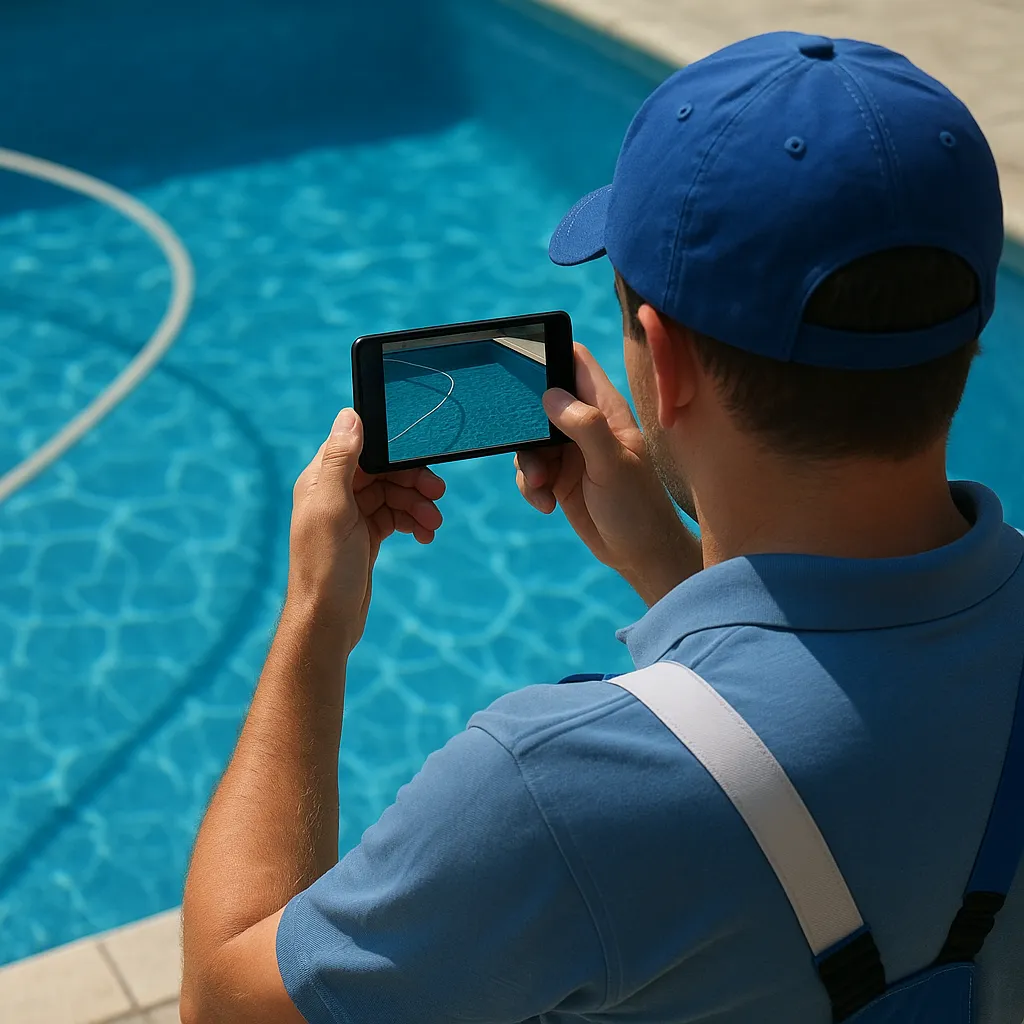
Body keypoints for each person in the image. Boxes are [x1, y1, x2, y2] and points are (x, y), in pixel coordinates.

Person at [179, 31, 1024, 1024]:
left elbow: (224, 1005)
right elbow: (837, 734)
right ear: (969, 338)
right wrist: (664, 563)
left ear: (661, 363)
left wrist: (316, 619)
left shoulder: (557, 791)